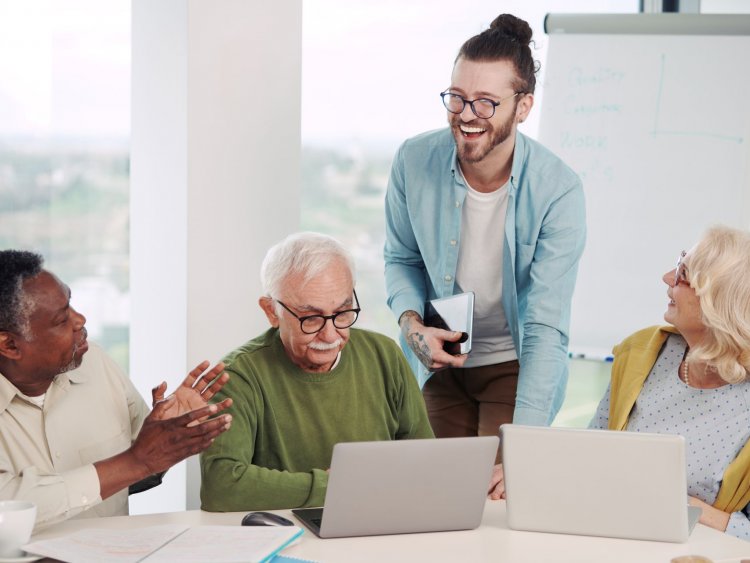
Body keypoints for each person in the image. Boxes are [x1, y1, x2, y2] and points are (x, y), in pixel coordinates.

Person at [384, 13, 586, 437]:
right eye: (456, 98)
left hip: (514, 364)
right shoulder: (412, 160)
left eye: (485, 102)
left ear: (524, 106)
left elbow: (546, 326)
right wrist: (412, 326)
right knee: (435, 490)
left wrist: (527, 439)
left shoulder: (558, 190)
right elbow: (401, 257)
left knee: (502, 486)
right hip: (438, 361)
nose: (466, 115)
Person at [200, 232, 435, 511]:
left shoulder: (385, 355)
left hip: (377, 526)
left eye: (342, 312)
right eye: (311, 318)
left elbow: (425, 461)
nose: (330, 333)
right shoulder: (235, 377)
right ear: (271, 311)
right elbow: (221, 485)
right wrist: (334, 487)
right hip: (284, 536)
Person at [0, 250, 233, 529]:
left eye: (71, 304)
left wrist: (166, 441)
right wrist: (136, 460)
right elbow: (9, 502)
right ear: (10, 345)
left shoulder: (94, 362)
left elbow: (138, 473)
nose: (80, 320)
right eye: (61, 320)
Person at [587, 226, 750, 540]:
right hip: (613, 535)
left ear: (718, 300)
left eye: (682, 273)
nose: (666, 278)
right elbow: (591, 450)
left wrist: (688, 509)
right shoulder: (641, 352)